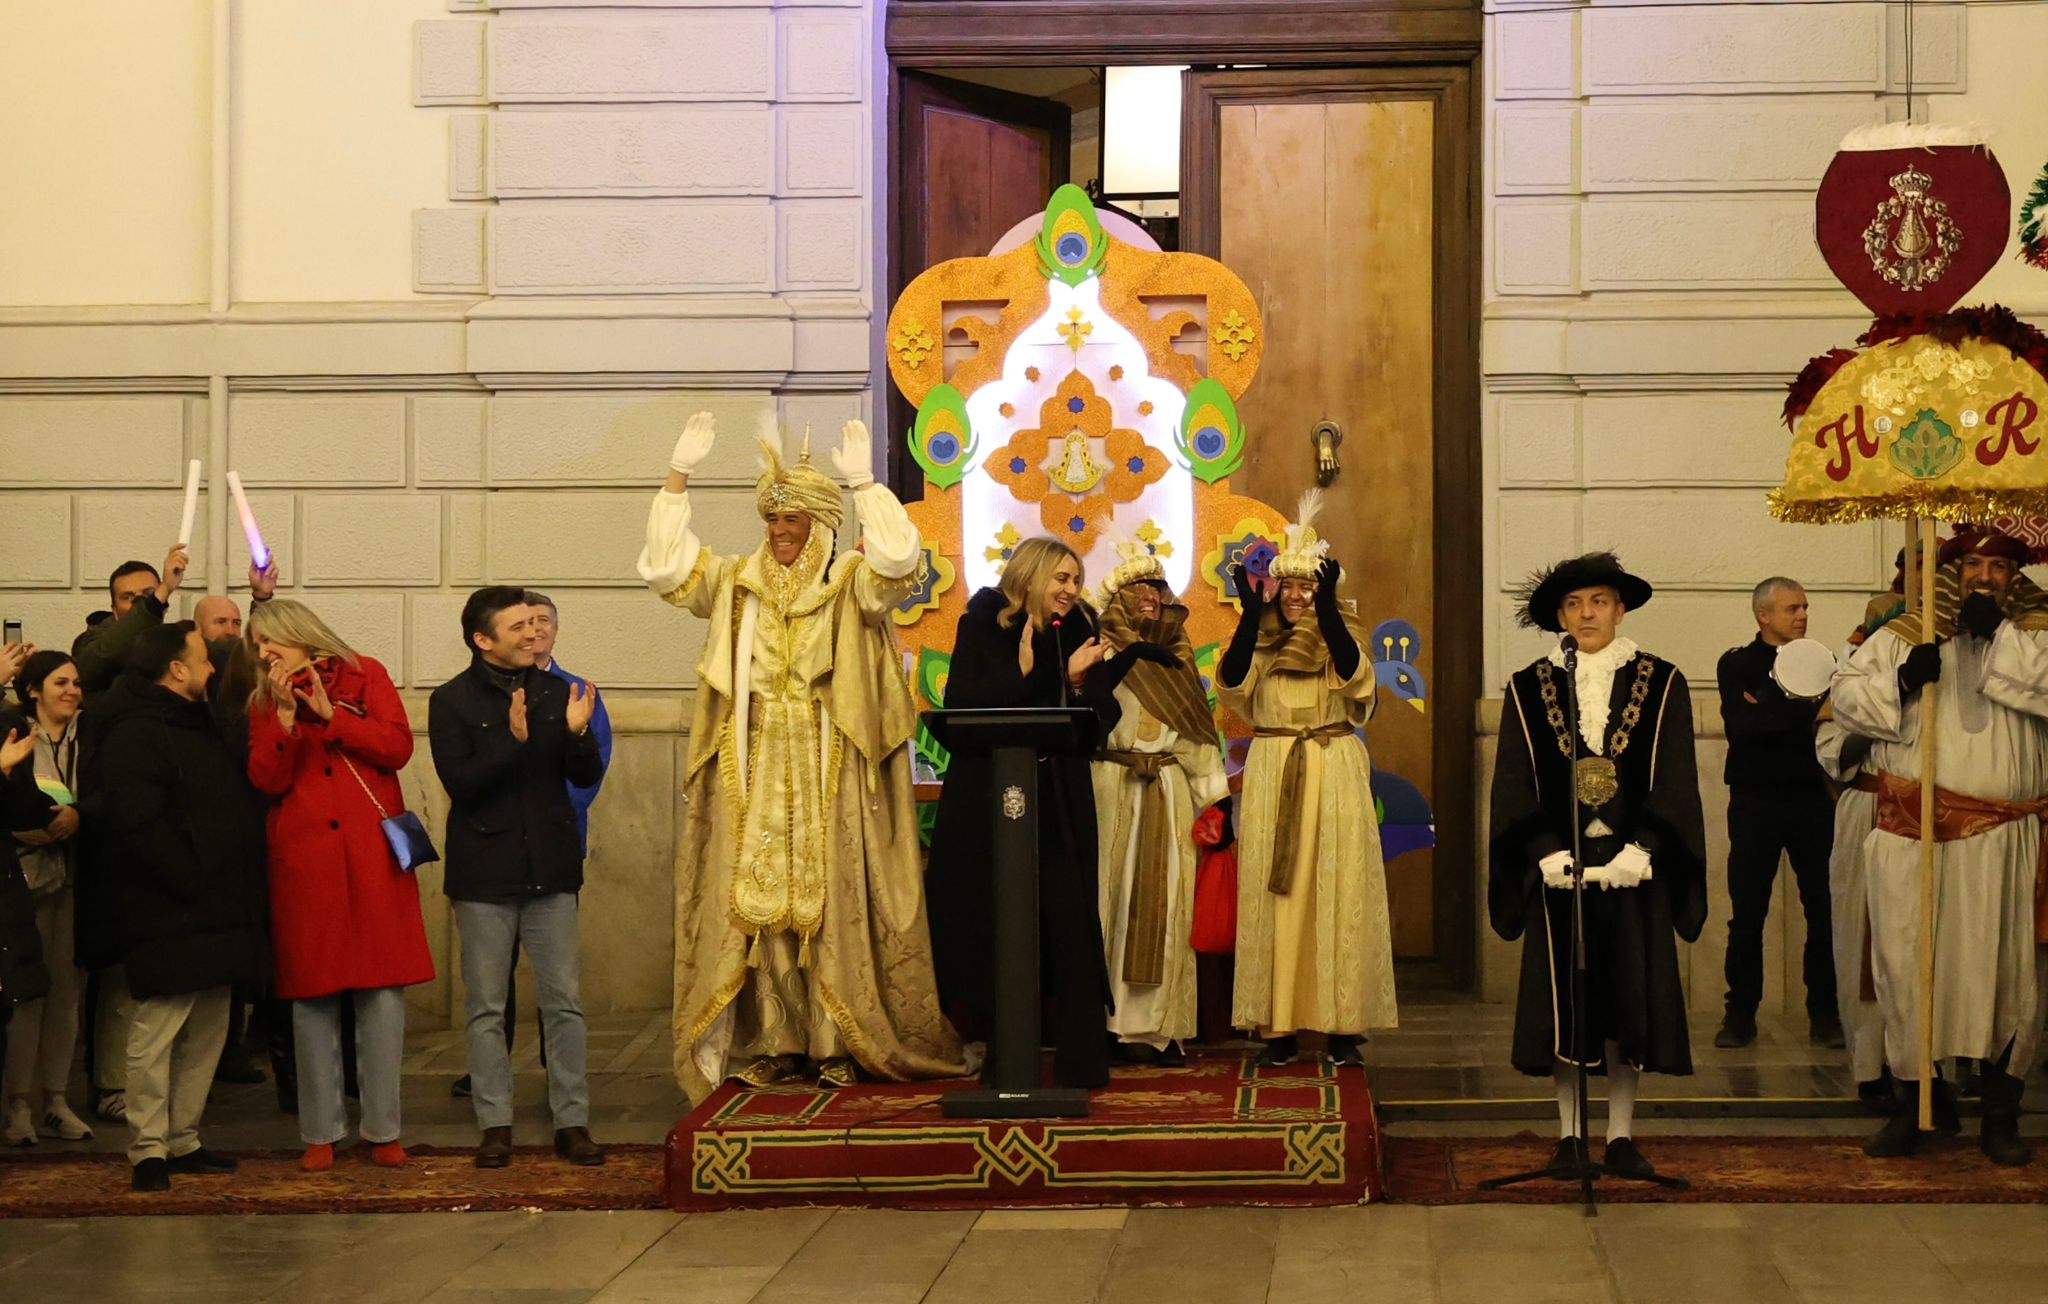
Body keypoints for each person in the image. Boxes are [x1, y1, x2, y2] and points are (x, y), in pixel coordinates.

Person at [638, 412, 966, 1096]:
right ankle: (780, 1043)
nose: (779, 533)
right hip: (754, 767)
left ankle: (838, 1041)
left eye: (792, 522)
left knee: (831, 912)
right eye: (772, 521)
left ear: (820, 526)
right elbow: (668, 570)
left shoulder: (850, 580)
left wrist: (868, 484)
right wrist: (677, 478)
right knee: (764, 914)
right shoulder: (735, 581)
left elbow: (900, 561)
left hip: (831, 768)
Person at [1831, 526, 2048, 1165]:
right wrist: (1901, 681)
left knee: (2005, 975)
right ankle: (1915, 1104)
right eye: (1973, 564)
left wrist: (1998, 638)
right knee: (1908, 968)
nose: (1985, 577)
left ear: (2016, 573)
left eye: (1999, 566)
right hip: (1914, 833)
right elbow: (1845, 701)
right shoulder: (1904, 633)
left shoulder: (2035, 632)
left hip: (2006, 839)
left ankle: (2001, 1116)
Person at [1488, 551, 1706, 1181]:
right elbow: (1512, 782)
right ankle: (1569, 1134)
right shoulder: (1529, 688)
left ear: (1621, 607)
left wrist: (1644, 850)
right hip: (1561, 873)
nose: (1588, 614)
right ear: (1560, 615)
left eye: (1599, 602)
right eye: (1575, 605)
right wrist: (1542, 852)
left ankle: (1620, 1135)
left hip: (1633, 872)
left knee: (1626, 1003)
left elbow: (1676, 778)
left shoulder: (1663, 682)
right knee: (1568, 1007)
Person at [245, 599, 434, 1172]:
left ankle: (384, 1130)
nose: (262, 654)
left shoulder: (365, 674)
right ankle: (321, 1131)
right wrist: (282, 721)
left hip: (373, 860)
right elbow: (266, 779)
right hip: (307, 866)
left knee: (382, 998)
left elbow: (397, 747)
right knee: (313, 1000)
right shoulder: (261, 700)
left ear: (298, 637)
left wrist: (332, 716)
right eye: (256, 648)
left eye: (268, 643)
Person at [429, 587, 605, 1168]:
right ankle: (495, 1124)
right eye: (518, 629)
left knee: (564, 1003)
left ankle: (572, 1121)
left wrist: (578, 734)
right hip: (485, 871)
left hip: (551, 868)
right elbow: (464, 784)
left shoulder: (559, 690)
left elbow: (582, 774)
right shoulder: (450, 700)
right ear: (483, 641)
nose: (533, 636)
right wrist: (513, 740)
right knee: (485, 1006)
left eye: (536, 626)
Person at [1219, 494, 1397, 1068]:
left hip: (1333, 763)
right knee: (1282, 894)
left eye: (1308, 588)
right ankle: (1278, 1026)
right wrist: (1250, 617)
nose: (1296, 598)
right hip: (1275, 769)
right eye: (1288, 588)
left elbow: (1354, 678)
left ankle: (1343, 1026)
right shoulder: (1262, 640)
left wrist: (1327, 615)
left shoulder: (1340, 634)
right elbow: (1232, 684)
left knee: (1338, 888)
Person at [92, 622, 269, 1192]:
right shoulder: (135, 733)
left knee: (211, 1026)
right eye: (202, 659)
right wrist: (188, 877)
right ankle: (148, 1148)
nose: (212, 669)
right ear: (176, 669)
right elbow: (138, 821)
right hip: (168, 905)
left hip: (218, 903)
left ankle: (184, 1137)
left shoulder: (205, 723)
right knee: (158, 1028)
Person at [1089, 543, 1228, 1065]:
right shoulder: (1098, 653)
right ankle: (1105, 1024)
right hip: (1111, 787)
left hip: (1168, 794)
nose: (1150, 596)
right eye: (1138, 589)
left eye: (1157, 587)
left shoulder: (1179, 658)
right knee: (1111, 905)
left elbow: (1195, 739)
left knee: (1167, 905)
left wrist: (1216, 801)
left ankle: (1161, 1029)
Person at [1713, 578, 1840, 1049]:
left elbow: (1827, 721)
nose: (1803, 615)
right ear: (1764, 615)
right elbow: (1745, 729)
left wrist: (1772, 708)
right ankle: (1739, 1015)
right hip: (1754, 800)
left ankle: (1825, 1015)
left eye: (1805, 606)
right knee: (1748, 912)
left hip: (1811, 799)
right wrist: (1804, 709)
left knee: (1823, 911)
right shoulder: (1738, 663)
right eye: (1792, 608)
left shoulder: (1824, 662)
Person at [3, 653, 93, 1145]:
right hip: (24, 876)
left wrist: (82, 817)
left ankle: (57, 1099)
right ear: (34, 689)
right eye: (61, 682)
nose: (73, 691)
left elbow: (104, 792)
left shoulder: (90, 735)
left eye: (77, 683)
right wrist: (27, 827)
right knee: (26, 995)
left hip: (73, 878)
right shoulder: (14, 731)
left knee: (66, 992)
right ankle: (20, 1105)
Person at [72, 550, 187, 694]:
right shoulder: (91, 642)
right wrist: (162, 591)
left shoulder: (174, 644)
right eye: (127, 597)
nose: (139, 603)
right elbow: (105, 656)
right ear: (114, 609)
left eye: (148, 594)